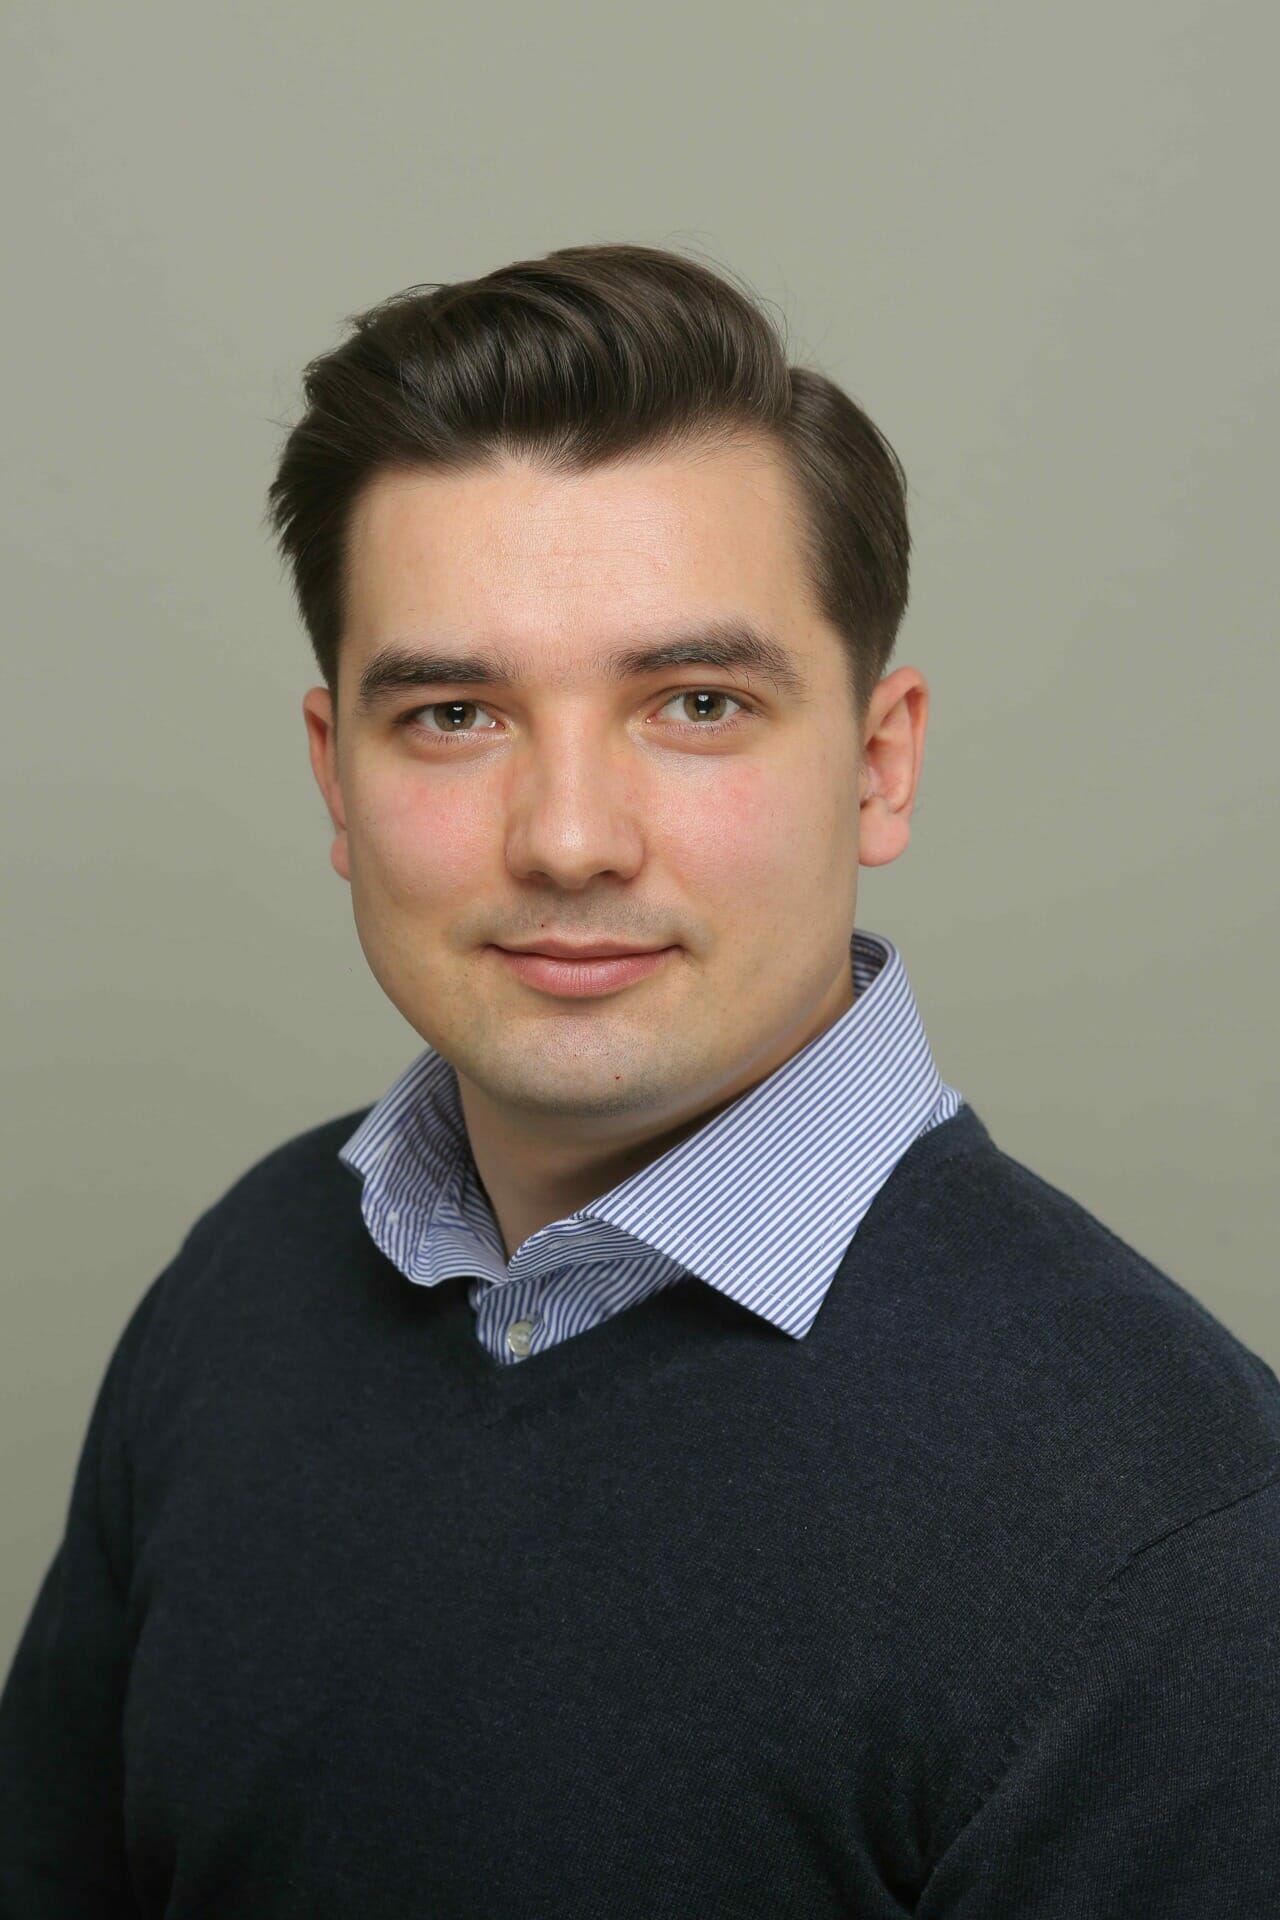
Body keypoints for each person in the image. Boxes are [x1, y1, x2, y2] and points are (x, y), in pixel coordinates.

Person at [1, 242, 1276, 1917]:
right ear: (336, 774)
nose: (571, 839)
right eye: (456, 714)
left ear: (879, 766)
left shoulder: (1181, 1542)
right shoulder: (247, 1277)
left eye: (695, 702)